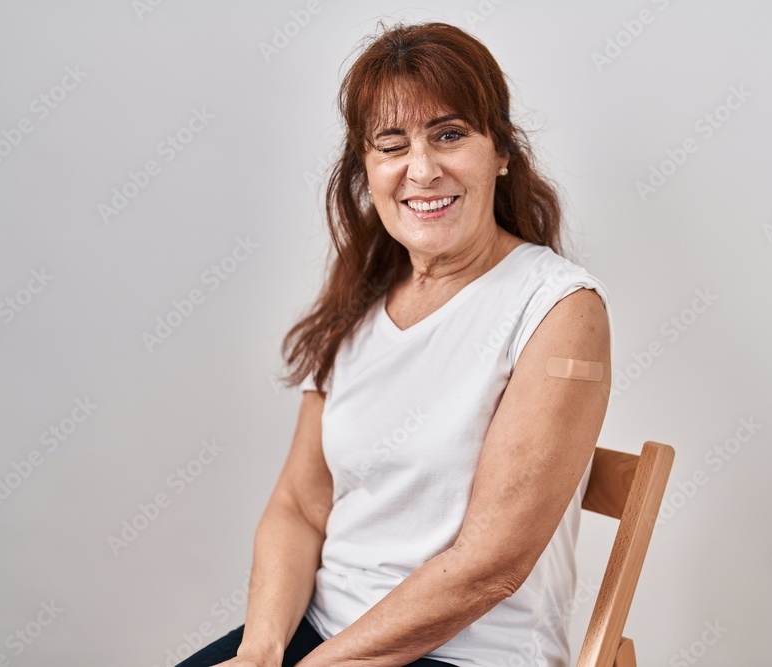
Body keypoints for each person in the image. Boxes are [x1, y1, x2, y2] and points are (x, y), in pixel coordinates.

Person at [177, 19, 612, 667]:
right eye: (392, 144)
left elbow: (488, 567)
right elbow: (299, 504)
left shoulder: (559, 307)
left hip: (467, 654)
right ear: (367, 168)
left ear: (501, 152)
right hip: (321, 631)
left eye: (449, 134)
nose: (422, 169)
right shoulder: (355, 306)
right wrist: (262, 651)